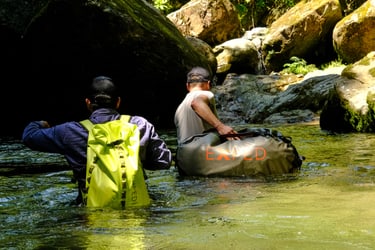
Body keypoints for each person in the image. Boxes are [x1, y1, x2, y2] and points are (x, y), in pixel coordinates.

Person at [22, 76, 172, 205]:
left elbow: (29, 137)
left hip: (91, 212)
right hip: (137, 204)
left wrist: (40, 124)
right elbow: (163, 162)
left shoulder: (70, 131)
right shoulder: (139, 125)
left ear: (87, 103)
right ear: (118, 102)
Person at [174, 66, 238, 144]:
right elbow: (197, 103)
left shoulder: (179, 108)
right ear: (208, 84)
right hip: (205, 151)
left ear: (187, 86)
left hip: (184, 153)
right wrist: (220, 127)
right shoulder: (205, 93)